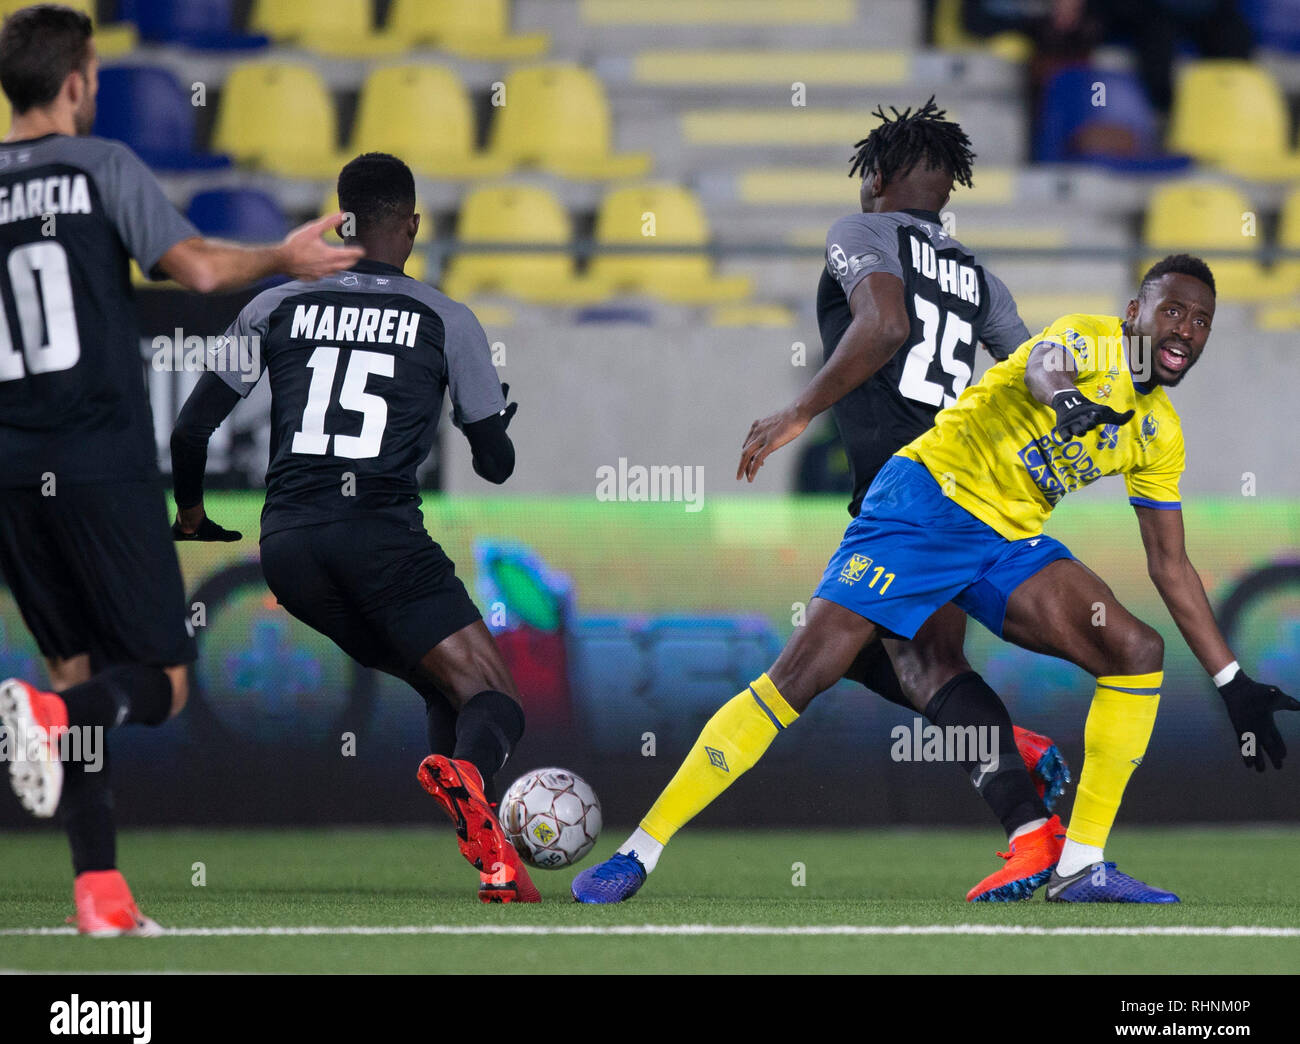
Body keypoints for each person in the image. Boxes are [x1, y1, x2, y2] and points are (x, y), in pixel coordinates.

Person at [574, 252, 1300, 905]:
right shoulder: (1091, 337)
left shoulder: (1159, 433)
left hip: (1007, 540)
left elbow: (1170, 564)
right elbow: (1049, 365)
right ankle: (642, 849)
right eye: (1171, 309)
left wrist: (1232, 679)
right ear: (1135, 311)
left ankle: (1081, 866)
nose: (1185, 329)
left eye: (1201, 320)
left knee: (1136, 650)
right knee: (804, 672)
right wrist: (1069, 401)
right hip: (924, 505)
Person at [580, 98, 1074, 905]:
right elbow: (1032, 369)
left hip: (910, 501)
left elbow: (882, 325)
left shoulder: (862, 233)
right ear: (947, 190)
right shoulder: (981, 276)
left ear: (874, 177)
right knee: (921, 664)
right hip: (961, 495)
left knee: (797, 674)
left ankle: (638, 851)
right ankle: (1023, 797)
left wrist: (797, 410)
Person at [0, 3, 362, 936]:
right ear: (78, 82)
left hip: (9, 471)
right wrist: (283, 255)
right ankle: (46, 712)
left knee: (77, 663)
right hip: (99, 457)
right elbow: (195, 270)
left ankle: (100, 894)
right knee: (159, 682)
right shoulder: (100, 167)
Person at [169, 152, 539, 904]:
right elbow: (495, 464)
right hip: (380, 537)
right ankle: (474, 792)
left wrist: (193, 513)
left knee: (447, 687)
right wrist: (494, 418)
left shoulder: (277, 304)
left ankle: (494, 860)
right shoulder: (446, 318)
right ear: (409, 224)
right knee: (494, 696)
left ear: (342, 223)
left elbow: (189, 429)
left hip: (291, 551)